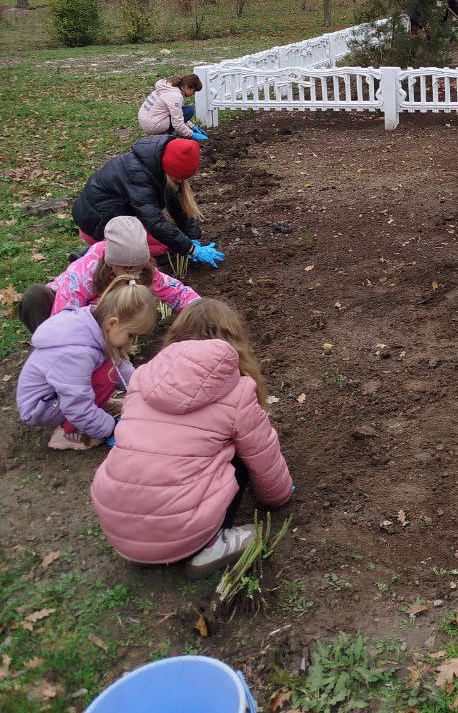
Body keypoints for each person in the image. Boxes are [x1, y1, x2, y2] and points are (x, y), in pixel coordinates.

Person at [90, 297, 293, 579]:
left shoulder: (143, 377)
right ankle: (211, 544)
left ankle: (148, 539)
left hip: (118, 524)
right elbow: (263, 454)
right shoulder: (237, 392)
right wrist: (279, 497)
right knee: (240, 453)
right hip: (180, 528)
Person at [16, 277, 157, 452]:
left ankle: (93, 412)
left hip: (55, 397)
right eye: (130, 335)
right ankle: (67, 432)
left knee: (110, 365)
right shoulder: (77, 352)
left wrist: (145, 389)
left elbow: (121, 366)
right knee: (106, 374)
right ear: (113, 323)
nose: (131, 342)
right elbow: (76, 404)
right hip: (41, 406)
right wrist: (110, 427)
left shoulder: (93, 326)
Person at [17, 216, 200, 334]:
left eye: (138, 267)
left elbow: (175, 291)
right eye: (127, 269)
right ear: (111, 263)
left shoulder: (143, 271)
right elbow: (65, 320)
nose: (133, 275)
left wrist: (199, 309)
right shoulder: (83, 275)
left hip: (101, 315)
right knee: (35, 296)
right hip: (59, 312)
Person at [72, 136, 224, 268]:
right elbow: (154, 222)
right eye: (178, 178)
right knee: (163, 245)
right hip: (95, 224)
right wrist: (191, 249)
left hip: (112, 216)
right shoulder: (139, 175)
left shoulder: (157, 162)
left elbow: (176, 205)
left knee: (173, 242)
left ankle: (106, 249)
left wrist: (192, 237)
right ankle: (92, 256)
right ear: (170, 170)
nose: (181, 182)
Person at [138, 74, 207, 142]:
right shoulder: (175, 96)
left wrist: (192, 126)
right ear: (186, 87)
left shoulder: (168, 87)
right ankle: (164, 136)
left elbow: (178, 113)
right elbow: (177, 124)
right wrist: (192, 134)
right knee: (189, 111)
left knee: (186, 111)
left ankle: (164, 132)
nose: (193, 94)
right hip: (152, 125)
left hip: (146, 119)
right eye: (193, 91)